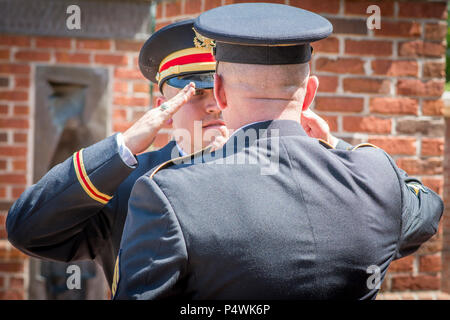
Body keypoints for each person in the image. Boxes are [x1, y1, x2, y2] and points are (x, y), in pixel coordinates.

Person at [113, 3, 444, 300]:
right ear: (309, 92)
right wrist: (338, 148)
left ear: (219, 91)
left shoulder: (170, 194)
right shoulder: (375, 176)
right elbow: (428, 207)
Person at [5, 19, 228, 289]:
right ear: (164, 110)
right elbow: (28, 230)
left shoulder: (271, 172)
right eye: (195, 93)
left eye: (221, 91)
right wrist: (124, 145)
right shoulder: (129, 184)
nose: (215, 105)